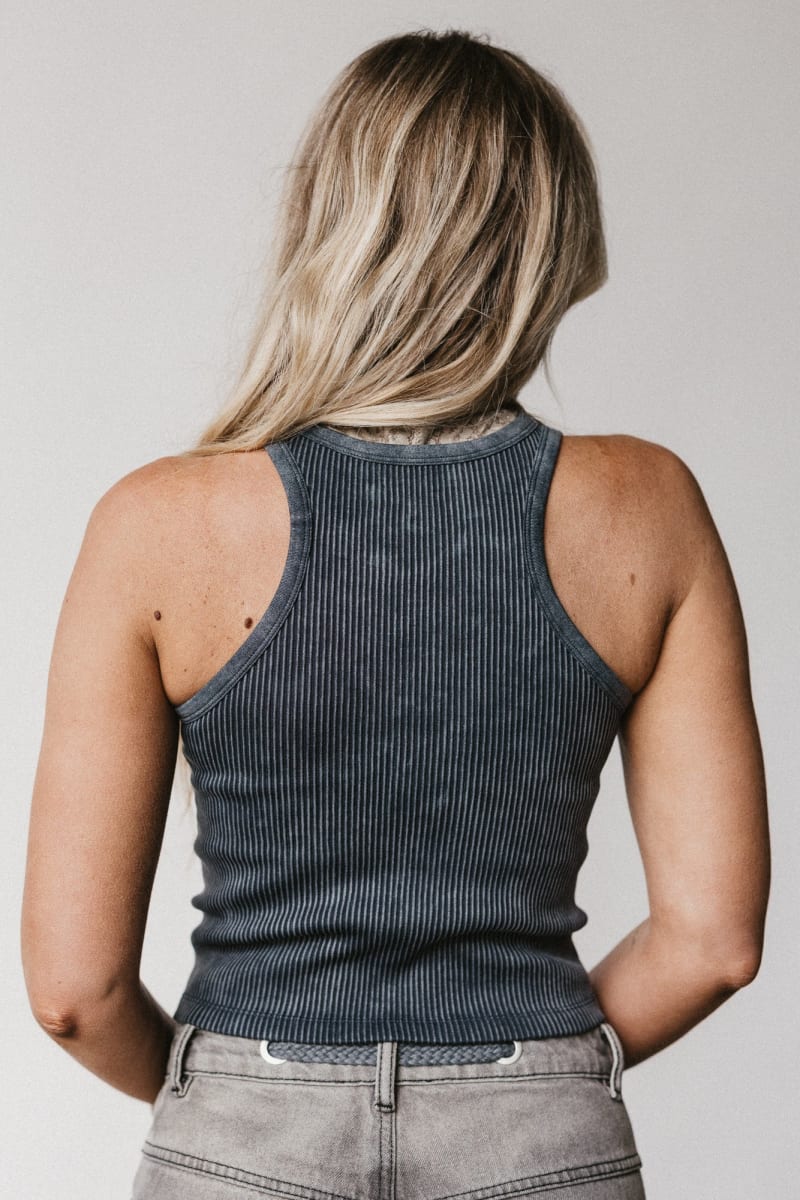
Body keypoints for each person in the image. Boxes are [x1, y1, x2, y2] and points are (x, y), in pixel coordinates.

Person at [21, 29, 770, 1200]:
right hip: (539, 1139)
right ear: (549, 244)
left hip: (243, 1137)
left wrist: (231, 1105)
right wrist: (536, 1084)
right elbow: (712, 941)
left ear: (326, 226)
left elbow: (74, 993)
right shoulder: (645, 509)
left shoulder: (158, 525)